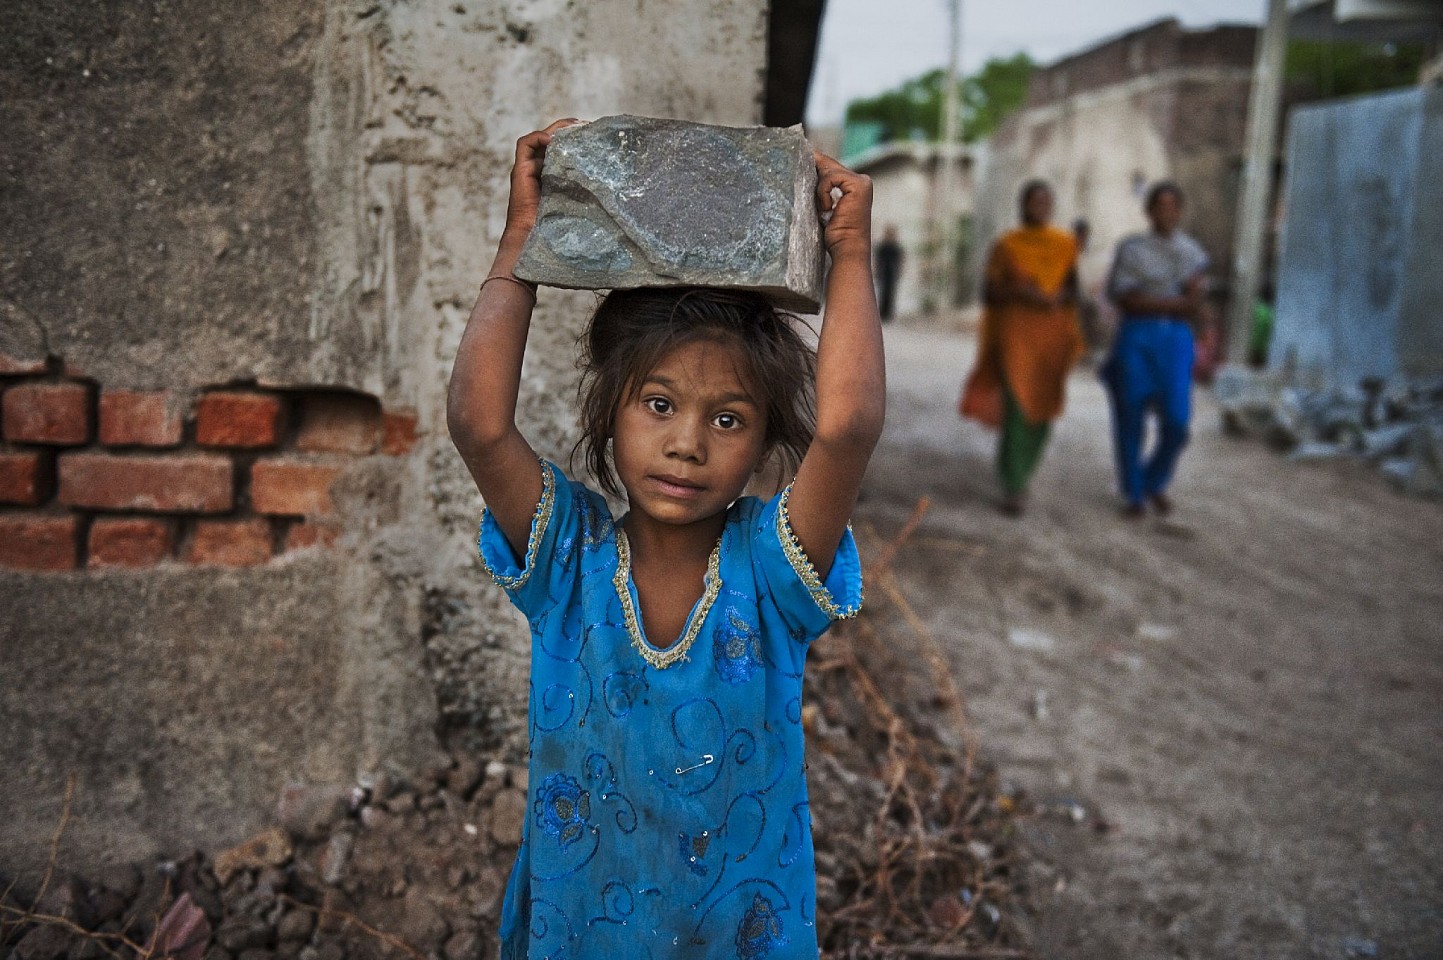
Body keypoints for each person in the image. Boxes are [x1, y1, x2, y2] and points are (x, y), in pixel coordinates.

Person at [447, 119, 884, 959]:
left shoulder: (772, 572)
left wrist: (852, 255)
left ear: (761, 445)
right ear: (609, 414)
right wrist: (520, 238)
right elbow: (476, 419)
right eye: (658, 404)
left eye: (728, 418)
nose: (687, 443)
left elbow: (850, 426)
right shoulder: (565, 562)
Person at [959, 180, 1083, 516]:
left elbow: (1073, 289)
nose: (1040, 206)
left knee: (1042, 405)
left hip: (1052, 337)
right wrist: (1020, 294)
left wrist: (1057, 297)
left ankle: (1022, 467)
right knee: (1017, 404)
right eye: (1034, 200)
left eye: (1046, 200)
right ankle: (1014, 484)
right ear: (1022, 205)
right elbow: (989, 293)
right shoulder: (1007, 246)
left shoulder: (1065, 245)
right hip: (1015, 336)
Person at [1102, 181, 1209, 518]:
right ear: (1149, 211)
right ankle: (1133, 493)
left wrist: (1161, 303)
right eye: (1160, 205)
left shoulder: (1192, 252)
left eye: (1173, 205)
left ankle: (1153, 480)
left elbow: (1195, 299)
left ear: (1180, 211)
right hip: (1137, 336)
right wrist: (1176, 302)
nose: (1167, 211)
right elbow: (1124, 298)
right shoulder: (1132, 249)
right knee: (1130, 413)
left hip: (1176, 339)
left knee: (1177, 421)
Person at [874, 224, 904, 322]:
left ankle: (888, 314)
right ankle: (882, 313)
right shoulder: (882, 246)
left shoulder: (896, 247)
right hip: (883, 272)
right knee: (882, 293)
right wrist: (876, 270)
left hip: (892, 272)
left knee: (891, 293)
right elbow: (878, 260)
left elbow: (900, 260)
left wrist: (900, 271)